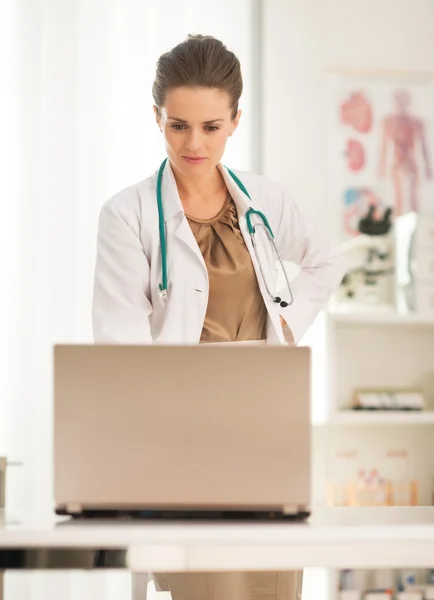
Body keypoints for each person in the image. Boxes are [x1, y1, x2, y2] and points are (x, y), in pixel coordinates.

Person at [92, 34, 346, 600]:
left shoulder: (264, 200)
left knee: (275, 589)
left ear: (234, 119)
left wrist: (286, 326)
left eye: (211, 127)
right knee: (212, 588)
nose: (193, 143)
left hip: (265, 424)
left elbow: (326, 262)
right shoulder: (128, 215)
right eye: (178, 124)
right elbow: (120, 349)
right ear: (156, 117)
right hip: (180, 429)